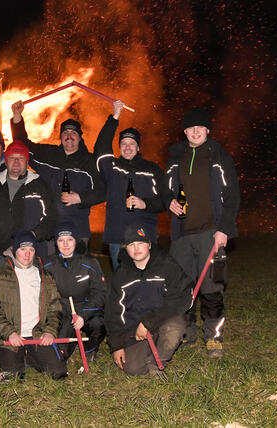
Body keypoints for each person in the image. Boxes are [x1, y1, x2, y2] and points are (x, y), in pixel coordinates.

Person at [165, 108, 240, 358]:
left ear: (207, 130)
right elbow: (166, 189)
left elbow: (232, 197)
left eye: (200, 127)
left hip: (211, 233)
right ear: (185, 131)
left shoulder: (219, 157)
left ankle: (214, 336)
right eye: (190, 128)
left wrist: (224, 230)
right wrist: (169, 201)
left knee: (212, 288)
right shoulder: (176, 157)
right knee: (183, 287)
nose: (195, 131)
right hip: (182, 235)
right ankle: (188, 333)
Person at [10, 101, 105, 249]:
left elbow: (103, 191)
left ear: (80, 137)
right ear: (60, 137)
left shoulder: (90, 162)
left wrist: (81, 198)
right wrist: (17, 117)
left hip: (78, 231)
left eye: (73, 133)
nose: (69, 136)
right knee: (49, 270)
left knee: (78, 269)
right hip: (49, 229)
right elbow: (22, 144)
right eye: (65, 132)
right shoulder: (49, 155)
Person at [105, 225, 193, 377]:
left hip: (163, 321)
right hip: (136, 330)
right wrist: (117, 345)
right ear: (125, 248)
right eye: (131, 244)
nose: (136, 248)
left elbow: (182, 297)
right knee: (132, 368)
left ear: (149, 245)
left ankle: (156, 362)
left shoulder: (167, 265)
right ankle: (152, 348)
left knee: (174, 328)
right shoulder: (120, 276)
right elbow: (112, 313)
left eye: (140, 243)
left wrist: (148, 322)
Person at [94, 100, 167, 270]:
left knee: (146, 282)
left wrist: (145, 204)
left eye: (132, 144)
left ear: (138, 147)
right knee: (122, 281)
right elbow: (101, 147)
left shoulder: (152, 169)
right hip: (117, 236)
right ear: (119, 147)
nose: (127, 148)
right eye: (123, 144)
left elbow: (165, 200)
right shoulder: (112, 167)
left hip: (144, 236)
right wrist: (115, 116)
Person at [0, 231, 67, 383]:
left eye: (31, 250)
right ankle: (14, 359)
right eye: (23, 249)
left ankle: (30, 356)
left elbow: (55, 308)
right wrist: (9, 333)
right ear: (14, 250)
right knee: (12, 378)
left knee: (59, 373)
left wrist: (50, 332)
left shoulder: (44, 276)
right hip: (12, 336)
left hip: (37, 334)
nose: (27, 254)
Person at [0, 140, 57, 271]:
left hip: (30, 254)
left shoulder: (40, 186)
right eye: (12, 158)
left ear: (27, 161)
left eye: (21, 158)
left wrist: (33, 235)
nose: (16, 162)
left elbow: (52, 218)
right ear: (6, 161)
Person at [44, 222, 106, 363]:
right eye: (61, 240)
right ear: (56, 243)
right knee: (59, 355)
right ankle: (64, 349)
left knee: (98, 324)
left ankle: (90, 350)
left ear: (76, 241)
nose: (65, 244)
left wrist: (83, 315)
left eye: (70, 240)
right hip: (62, 312)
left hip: (86, 309)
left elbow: (100, 292)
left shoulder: (90, 262)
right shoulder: (48, 265)